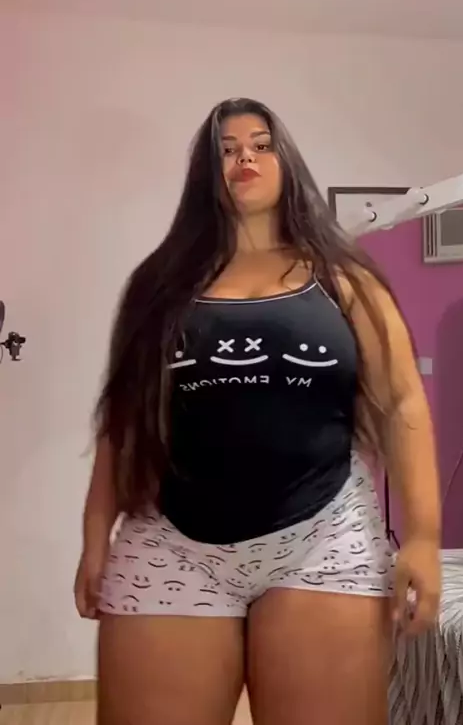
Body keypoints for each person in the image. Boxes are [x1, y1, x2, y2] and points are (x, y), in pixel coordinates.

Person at [75, 97, 441, 725]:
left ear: (285, 162)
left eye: (260, 145)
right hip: (172, 543)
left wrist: (426, 537)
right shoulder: (158, 285)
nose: (244, 157)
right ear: (205, 171)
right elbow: (122, 420)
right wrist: (93, 538)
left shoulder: (343, 277)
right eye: (226, 149)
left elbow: (404, 401)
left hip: (323, 539)